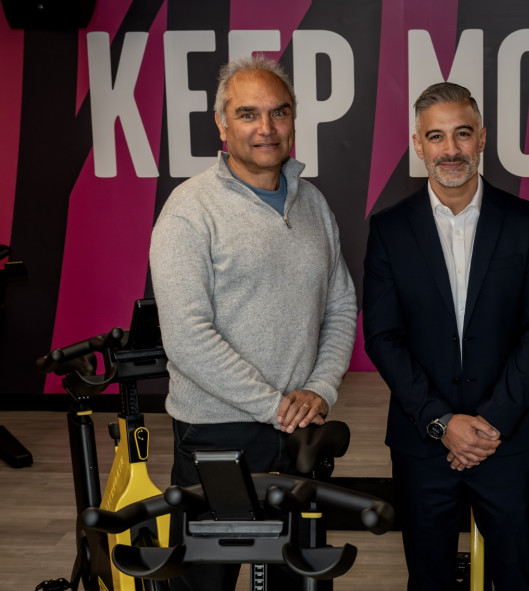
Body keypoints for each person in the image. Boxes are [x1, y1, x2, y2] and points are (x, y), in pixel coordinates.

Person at [148, 55, 357, 591]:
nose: (266, 128)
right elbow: (187, 338)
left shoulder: (312, 203)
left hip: (297, 434)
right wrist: (274, 406)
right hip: (217, 434)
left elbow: (339, 306)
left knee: (298, 579)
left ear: (293, 119)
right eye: (247, 114)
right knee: (203, 583)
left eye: (278, 112)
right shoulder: (190, 210)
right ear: (221, 125)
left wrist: (320, 386)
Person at [363, 82, 529, 590]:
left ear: (482, 139)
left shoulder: (527, 223)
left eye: (462, 134)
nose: (450, 150)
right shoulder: (388, 229)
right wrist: (440, 422)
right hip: (421, 444)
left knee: (517, 576)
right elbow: (383, 336)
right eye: (436, 137)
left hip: (509, 439)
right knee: (427, 579)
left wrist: (489, 423)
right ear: (418, 145)